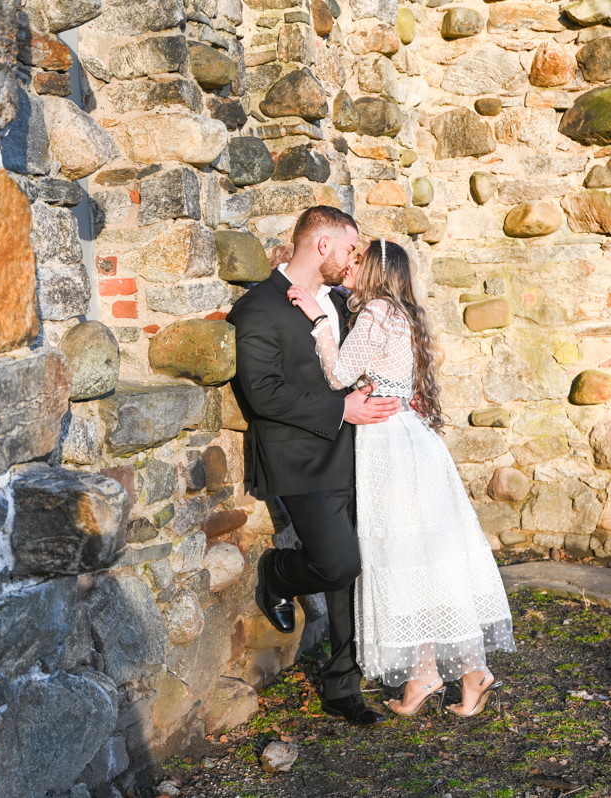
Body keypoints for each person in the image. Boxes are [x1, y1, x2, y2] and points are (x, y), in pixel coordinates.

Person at [287, 238, 515, 718]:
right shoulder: (401, 312)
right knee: (424, 560)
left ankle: (447, 673)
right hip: (409, 439)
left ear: (373, 270)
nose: (349, 264)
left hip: (388, 446)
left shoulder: (374, 313)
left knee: (406, 558)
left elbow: (338, 376)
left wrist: (319, 321)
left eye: (357, 259)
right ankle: (444, 673)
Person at [225, 206, 399, 726]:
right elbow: (263, 393)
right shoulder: (257, 307)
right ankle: (278, 572)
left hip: (359, 452)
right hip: (300, 459)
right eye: (349, 248)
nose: (353, 259)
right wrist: (342, 409)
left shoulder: (343, 304)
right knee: (338, 563)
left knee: (357, 569)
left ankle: (343, 686)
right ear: (322, 245)